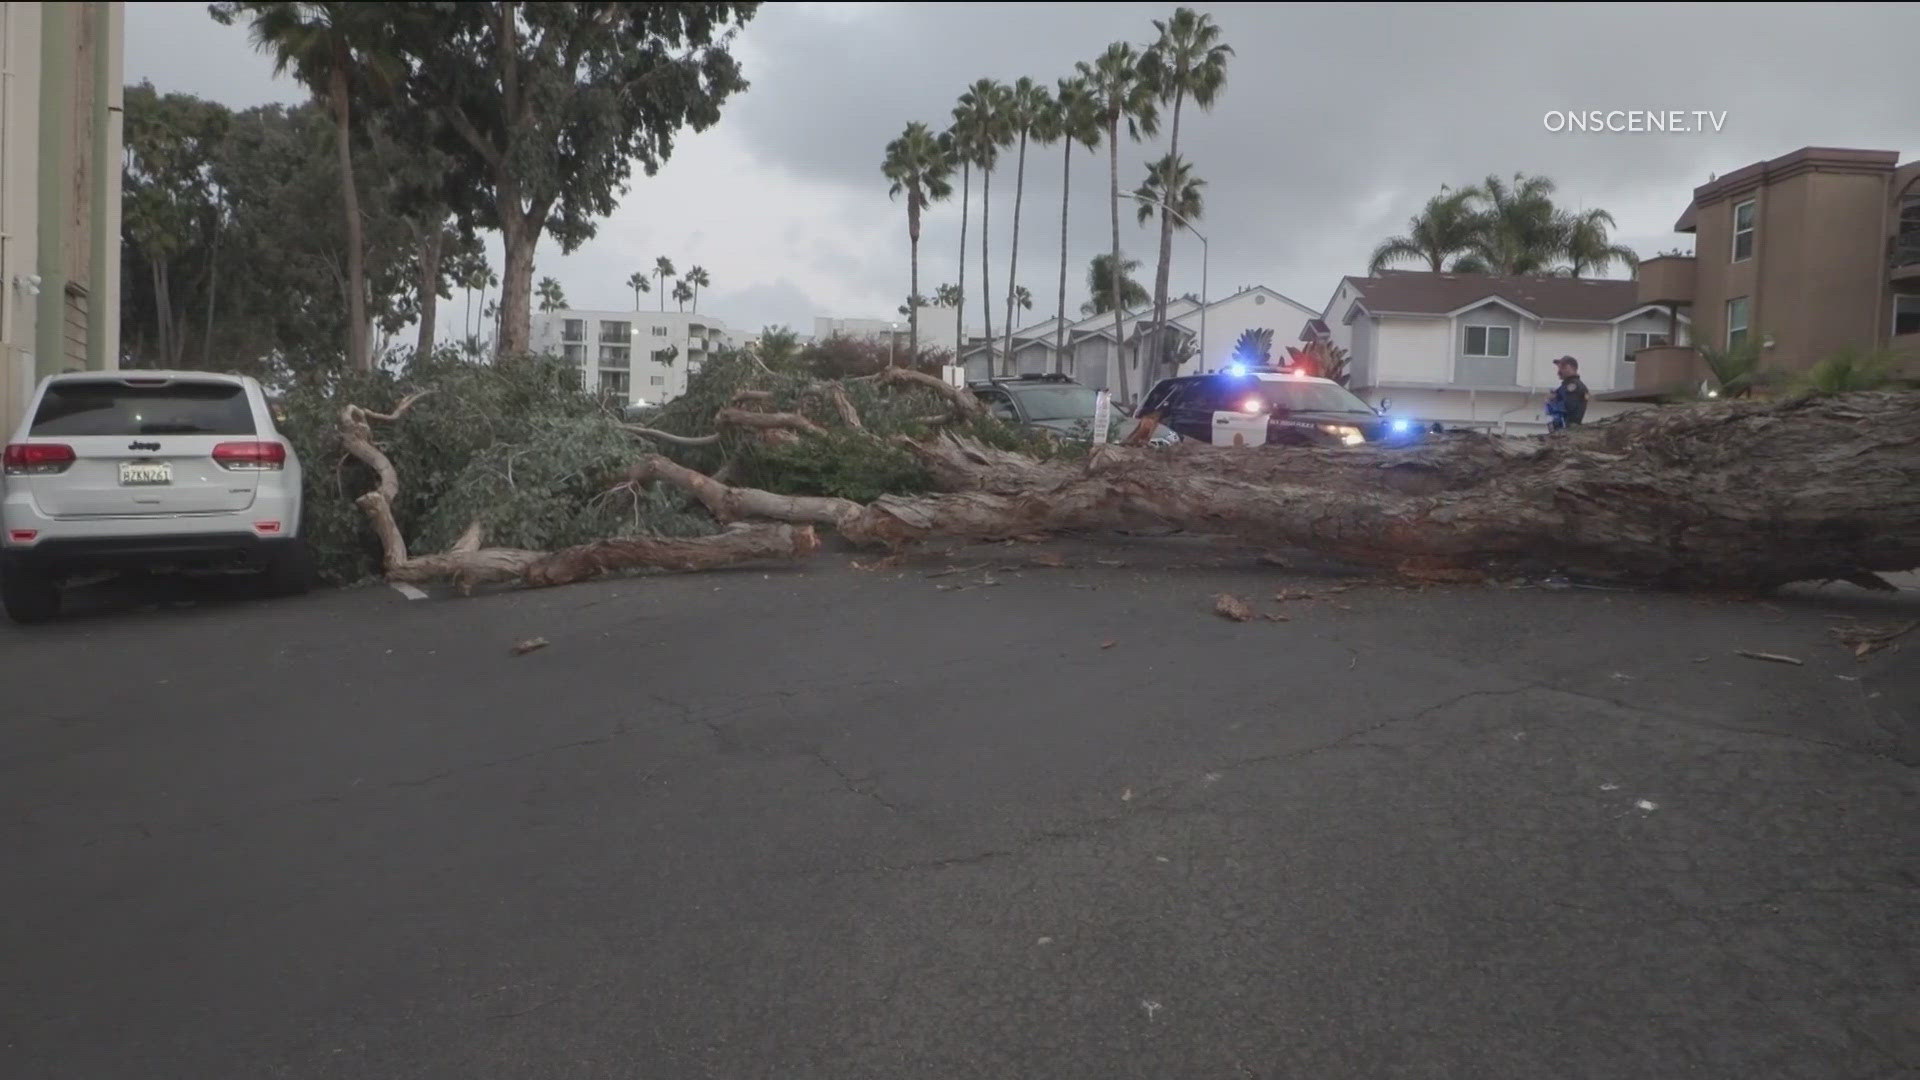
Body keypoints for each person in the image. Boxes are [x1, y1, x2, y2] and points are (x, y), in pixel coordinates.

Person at [1545, 355, 1589, 432]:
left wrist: (1554, 400)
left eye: (1561, 368)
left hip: (1568, 429)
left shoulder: (1574, 386)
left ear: (1568, 367)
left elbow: (1568, 407)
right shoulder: (1566, 386)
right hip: (1563, 429)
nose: (1558, 372)